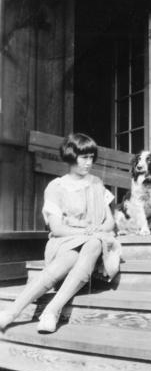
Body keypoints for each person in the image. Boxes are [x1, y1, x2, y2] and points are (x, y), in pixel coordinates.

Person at [0, 133, 121, 333]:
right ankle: (12, 312)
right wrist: (85, 231)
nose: (89, 163)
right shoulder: (56, 187)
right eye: (84, 157)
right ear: (71, 157)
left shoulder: (97, 184)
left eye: (91, 157)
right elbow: (57, 229)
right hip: (64, 243)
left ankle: (52, 310)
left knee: (94, 244)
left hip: (96, 243)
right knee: (71, 258)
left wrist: (97, 230)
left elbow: (109, 222)